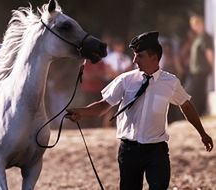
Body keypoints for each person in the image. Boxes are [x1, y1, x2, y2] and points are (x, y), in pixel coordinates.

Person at [66, 31, 214, 190]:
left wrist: (202, 133)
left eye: (140, 55)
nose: (135, 59)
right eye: (134, 55)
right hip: (129, 151)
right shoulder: (125, 80)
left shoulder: (170, 82)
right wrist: (81, 112)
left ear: (154, 57)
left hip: (157, 151)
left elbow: (186, 106)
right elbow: (103, 105)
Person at [185, 14, 214, 116]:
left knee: (195, 92)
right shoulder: (198, 38)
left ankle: (199, 113)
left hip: (202, 70)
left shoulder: (205, 37)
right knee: (194, 91)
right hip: (195, 70)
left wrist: (211, 67)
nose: (194, 27)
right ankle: (198, 113)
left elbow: (209, 53)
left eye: (196, 24)